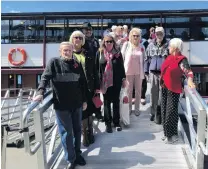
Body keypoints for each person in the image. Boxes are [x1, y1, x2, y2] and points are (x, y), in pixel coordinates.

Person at [33, 42, 87, 169]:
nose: (67, 52)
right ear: (60, 51)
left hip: (77, 104)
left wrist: (84, 100)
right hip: (61, 105)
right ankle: (71, 159)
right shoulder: (54, 62)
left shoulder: (76, 64)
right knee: (66, 133)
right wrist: (40, 92)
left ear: (73, 50)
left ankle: (78, 154)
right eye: (64, 50)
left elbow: (83, 84)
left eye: (69, 50)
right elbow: (45, 78)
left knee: (78, 130)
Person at [160, 38, 195, 144]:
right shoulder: (170, 57)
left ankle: (171, 135)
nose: (168, 48)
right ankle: (168, 134)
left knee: (171, 112)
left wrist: (190, 80)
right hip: (165, 87)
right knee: (164, 111)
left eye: (170, 46)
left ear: (175, 47)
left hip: (174, 89)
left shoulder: (181, 59)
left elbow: (188, 72)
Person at [69, 30, 100, 147]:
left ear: (83, 41)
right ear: (71, 39)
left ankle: (90, 132)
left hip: (89, 86)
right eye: (75, 37)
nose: (77, 39)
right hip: (76, 89)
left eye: (80, 38)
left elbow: (94, 71)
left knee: (89, 110)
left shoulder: (88, 53)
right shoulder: (69, 54)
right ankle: (85, 137)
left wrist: (97, 86)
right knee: (81, 112)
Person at [97, 34, 126, 133]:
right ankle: (108, 123)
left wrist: (124, 79)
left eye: (110, 41)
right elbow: (96, 68)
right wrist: (97, 84)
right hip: (104, 82)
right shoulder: (100, 53)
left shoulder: (118, 53)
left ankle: (116, 122)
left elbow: (122, 67)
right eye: (107, 41)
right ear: (104, 43)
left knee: (116, 102)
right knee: (106, 103)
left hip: (116, 81)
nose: (109, 43)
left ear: (113, 42)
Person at [144, 26, 169, 124]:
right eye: (157, 33)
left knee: (162, 95)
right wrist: (146, 72)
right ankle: (153, 113)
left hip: (164, 74)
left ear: (163, 34)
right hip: (153, 73)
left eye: (161, 33)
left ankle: (161, 114)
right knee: (153, 94)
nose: (159, 35)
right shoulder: (150, 45)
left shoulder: (168, 45)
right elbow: (146, 59)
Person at [82, 22, 104, 121]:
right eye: (86, 29)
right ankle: (90, 114)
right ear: (83, 31)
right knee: (88, 94)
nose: (88, 31)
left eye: (90, 29)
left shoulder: (95, 41)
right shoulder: (81, 41)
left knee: (97, 92)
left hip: (96, 69)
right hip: (86, 70)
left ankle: (98, 112)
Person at [121, 28, 145, 116]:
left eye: (137, 36)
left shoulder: (142, 46)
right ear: (130, 36)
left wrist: (145, 73)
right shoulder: (126, 45)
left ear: (140, 37)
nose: (135, 37)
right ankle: (129, 108)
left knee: (138, 91)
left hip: (139, 72)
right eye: (134, 35)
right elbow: (121, 58)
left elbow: (144, 59)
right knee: (129, 91)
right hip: (128, 72)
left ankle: (137, 109)